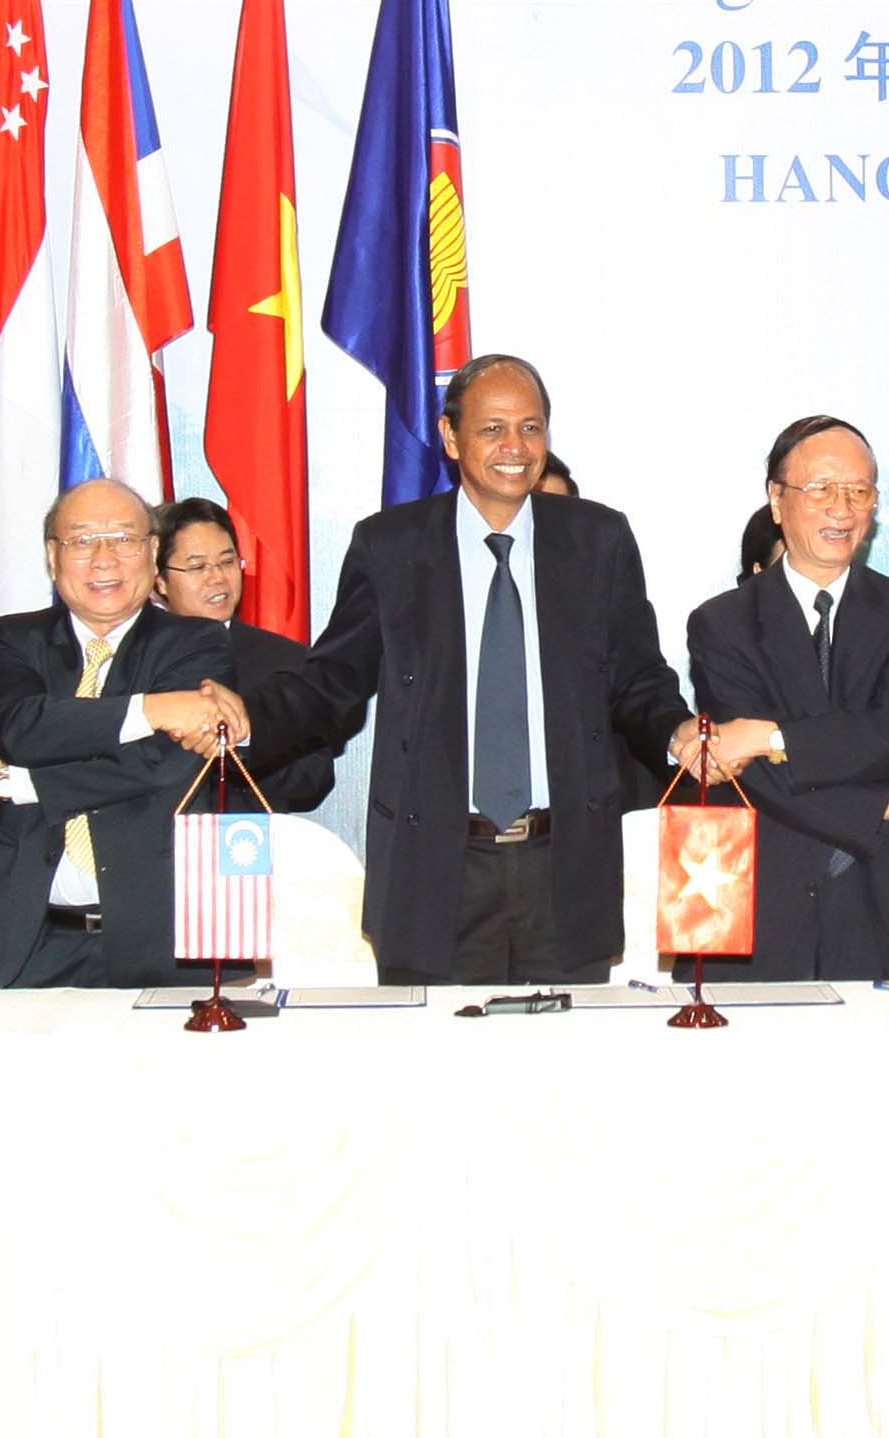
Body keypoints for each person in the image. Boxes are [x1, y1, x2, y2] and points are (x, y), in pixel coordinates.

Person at [258, 354, 703, 985]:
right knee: (433, 1048)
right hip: (434, 870)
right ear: (450, 436)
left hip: (565, 867)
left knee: (571, 1048)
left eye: (531, 427)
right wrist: (242, 723)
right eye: (492, 428)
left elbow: (637, 678)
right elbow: (331, 682)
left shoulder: (597, 539)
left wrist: (678, 732)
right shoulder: (390, 545)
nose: (514, 447)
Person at [682, 415, 889, 980]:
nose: (843, 508)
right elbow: (757, 777)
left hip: (881, 899)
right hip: (758, 901)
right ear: (776, 499)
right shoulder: (722, 622)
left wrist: (771, 736)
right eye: (822, 489)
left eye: (859, 491)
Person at [0, 479, 257, 988]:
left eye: (123, 539)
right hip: (32, 940)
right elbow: (22, 731)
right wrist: (152, 709)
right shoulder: (16, 638)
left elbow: (162, 766)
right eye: (82, 540)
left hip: (168, 938)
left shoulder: (197, 642)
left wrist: (17, 784)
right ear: (53, 556)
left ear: (153, 553)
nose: (103, 559)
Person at [150, 495, 351, 814]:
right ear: (160, 580)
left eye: (227, 562)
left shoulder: (287, 661)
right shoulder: (137, 658)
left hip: (246, 840)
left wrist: (243, 742)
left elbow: (314, 775)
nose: (218, 578)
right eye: (198, 567)